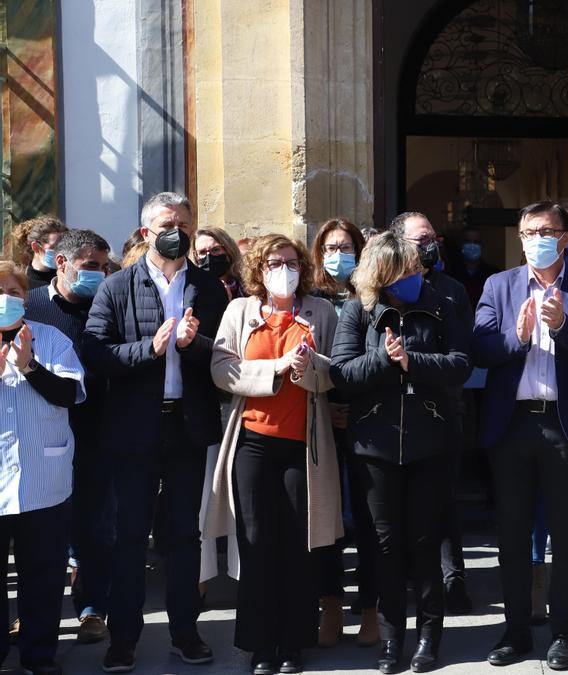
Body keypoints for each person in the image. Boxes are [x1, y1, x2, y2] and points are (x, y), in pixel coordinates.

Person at [85, 191, 228, 672]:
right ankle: (123, 637)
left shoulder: (208, 288)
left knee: (185, 536)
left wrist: (192, 345)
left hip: (187, 427)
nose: (179, 232)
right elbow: (97, 352)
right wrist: (150, 347)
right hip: (133, 430)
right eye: (169, 224)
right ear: (146, 232)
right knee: (130, 536)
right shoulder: (117, 287)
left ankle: (185, 632)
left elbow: (224, 356)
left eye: (185, 223)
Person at [470, 201, 568, 671]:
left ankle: (563, 631)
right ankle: (515, 631)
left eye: (547, 230)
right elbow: (481, 349)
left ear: (567, 237)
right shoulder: (498, 285)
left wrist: (563, 326)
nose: (537, 238)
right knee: (512, 534)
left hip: (567, 425)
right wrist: (518, 335)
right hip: (513, 424)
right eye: (529, 231)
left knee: (567, 534)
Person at [330, 231, 472, 674]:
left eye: (416, 268)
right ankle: (392, 641)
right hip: (375, 446)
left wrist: (413, 362)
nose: (415, 275)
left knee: (425, 543)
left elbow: (461, 365)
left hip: (432, 443)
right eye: (405, 270)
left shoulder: (443, 303)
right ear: (383, 275)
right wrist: (384, 360)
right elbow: (343, 373)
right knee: (384, 548)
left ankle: (430, 636)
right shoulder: (359, 311)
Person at [205, 234, 342, 675]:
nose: (283, 269)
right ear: (258, 271)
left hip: (303, 444)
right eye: (273, 263)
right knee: (257, 542)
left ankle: (293, 643)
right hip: (252, 441)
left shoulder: (320, 310)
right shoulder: (239, 310)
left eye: (291, 261)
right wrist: (276, 370)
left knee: (298, 545)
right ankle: (260, 644)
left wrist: (309, 370)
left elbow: (334, 373)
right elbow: (221, 368)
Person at [24, 229, 114, 645]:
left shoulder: (108, 302)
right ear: (62, 263)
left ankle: (93, 607)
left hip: (96, 429)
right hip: (39, 430)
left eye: (104, 266)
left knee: (94, 524)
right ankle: (34, 616)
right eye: (91, 266)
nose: (100, 274)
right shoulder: (32, 304)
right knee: (41, 531)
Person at [0, 262, 87, 675]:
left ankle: (39, 655)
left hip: (44, 481)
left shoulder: (50, 338)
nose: (7, 298)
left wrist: (29, 365)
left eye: (14, 291)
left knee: (44, 577)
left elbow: (70, 394)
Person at [392, 211, 476, 617]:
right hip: (392, 417)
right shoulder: (382, 290)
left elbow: (462, 357)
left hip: (442, 409)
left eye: (433, 238)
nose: (429, 245)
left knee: (443, 502)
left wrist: (414, 363)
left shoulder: (451, 290)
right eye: (419, 238)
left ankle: (452, 580)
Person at [306, 217, 380, 647]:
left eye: (346, 246)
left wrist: (351, 407)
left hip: (365, 420)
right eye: (330, 248)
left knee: (371, 521)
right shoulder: (310, 299)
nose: (338, 255)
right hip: (319, 422)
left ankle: (370, 607)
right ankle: (330, 604)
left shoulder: (372, 298)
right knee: (325, 523)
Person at [449, 226, 500, 307]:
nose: (472, 246)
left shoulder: (493, 275)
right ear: (460, 244)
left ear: (482, 245)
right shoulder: (450, 273)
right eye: (468, 241)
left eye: (476, 242)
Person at [193, 227, 246, 301]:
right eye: (202, 252)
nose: (209, 256)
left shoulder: (247, 288)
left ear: (228, 250)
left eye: (216, 249)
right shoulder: (192, 289)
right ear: (196, 256)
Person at [20, 216, 69, 290]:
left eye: (64, 247)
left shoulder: (68, 281)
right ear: (36, 247)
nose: (61, 253)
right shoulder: (21, 284)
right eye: (55, 246)